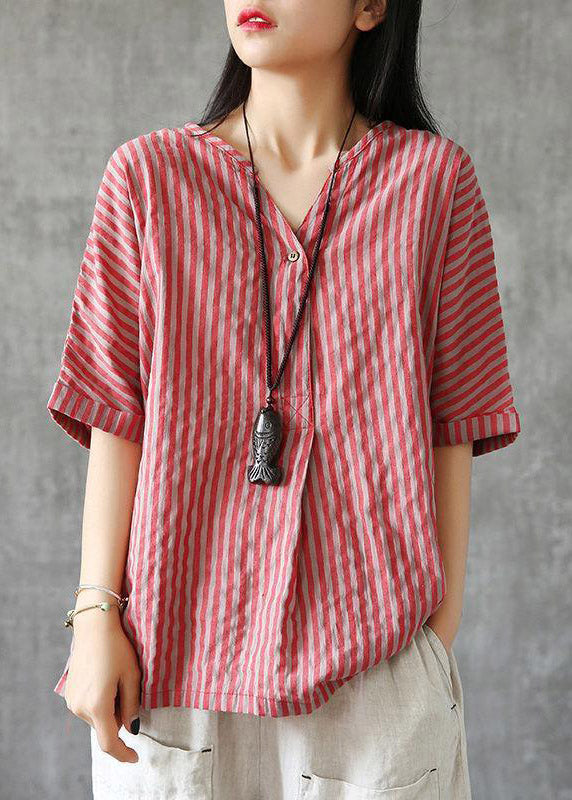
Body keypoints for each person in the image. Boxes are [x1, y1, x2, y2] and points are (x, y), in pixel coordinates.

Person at [46, 0, 522, 797]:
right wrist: (96, 614)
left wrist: (434, 640)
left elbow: (456, 423)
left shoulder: (433, 185)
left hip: (375, 681)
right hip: (173, 671)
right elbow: (115, 413)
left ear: (370, 7)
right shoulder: (148, 179)